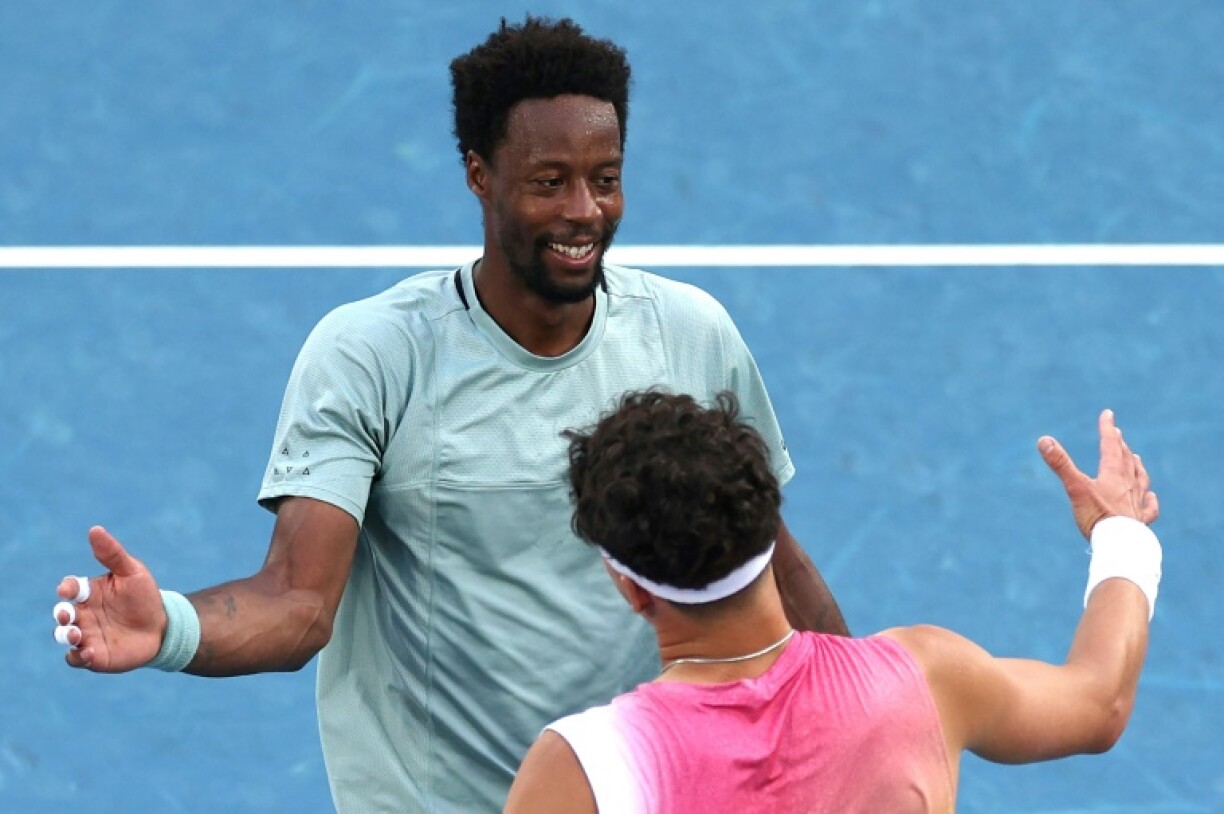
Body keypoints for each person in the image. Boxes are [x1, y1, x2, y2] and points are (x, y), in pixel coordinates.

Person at [49, 16, 848, 813]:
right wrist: (173, 629)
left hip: (634, 792)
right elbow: (297, 601)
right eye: (548, 181)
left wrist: (875, 705)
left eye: (605, 178)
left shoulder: (689, 336)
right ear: (478, 173)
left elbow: (766, 561)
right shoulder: (372, 356)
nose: (584, 211)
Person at [504, 391, 1161, 813]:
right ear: (769, 526)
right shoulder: (925, 679)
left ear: (631, 586)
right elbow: (1099, 701)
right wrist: (1122, 532)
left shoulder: (580, 769)